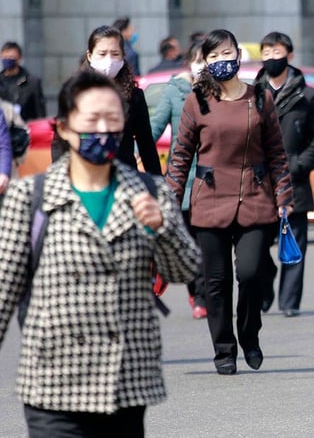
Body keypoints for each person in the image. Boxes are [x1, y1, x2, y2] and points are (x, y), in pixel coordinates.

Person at [0, 70, 200, 437]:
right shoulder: (30, 198)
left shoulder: (150, 191)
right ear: (63, 127)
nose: (103, 131)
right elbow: (3, 289)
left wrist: (162, 229)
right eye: (91, 121)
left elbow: (186, 269)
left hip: (124, 383)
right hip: (53, 385)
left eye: (112, 120)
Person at [166, 29, 293, 375]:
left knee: (251, 274)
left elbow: (278, 153)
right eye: (214, 56)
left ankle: (249, 335)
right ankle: (224, 349)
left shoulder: (261, 98)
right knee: (216, 281)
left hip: (254, 198)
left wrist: (284, 196)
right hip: (209, 200)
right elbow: (180, 156)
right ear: (205, 63)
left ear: (239, 55)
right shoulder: (198, 101)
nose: (223, 61)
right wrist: (170, 202)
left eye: (227, 54)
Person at [254, 31, 314, 317]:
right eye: (267, 53)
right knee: (257, 247)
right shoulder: (252, 93)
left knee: (294, 242)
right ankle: (264, 288)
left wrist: (301, 163)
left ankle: (289, 302)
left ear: (289, 55)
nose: (272, 58)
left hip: (294, 179)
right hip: (259, 182)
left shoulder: (307, 95)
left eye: (277, 52)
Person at [52, 26, 161, 175]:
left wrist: (157, 184)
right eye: (102, 54)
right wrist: (60, 177)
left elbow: (146, 143)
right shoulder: (74, 92)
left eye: (115, 54)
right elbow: (60, 143)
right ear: (89, 56)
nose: (108, 60)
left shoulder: (134, 96)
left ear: (123, 56)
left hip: (123, 177)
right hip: (84, 175)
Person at [150, 40, 207, 320]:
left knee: (211, 241)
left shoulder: (219, 91)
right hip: (183, 180)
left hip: (213, 180)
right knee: (191, 241)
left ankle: (211, 294)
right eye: (198, 59)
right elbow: (155, 126)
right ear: (189, 62)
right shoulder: (175, 91)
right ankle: (198, 295)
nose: (203, 65)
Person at [0, 42, 46, 121]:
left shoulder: (32, 82)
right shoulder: (1, 82)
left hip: (25, 128)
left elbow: (40, 113)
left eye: (11, 57)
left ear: (19, 58)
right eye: (5, 57)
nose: (7, 60)